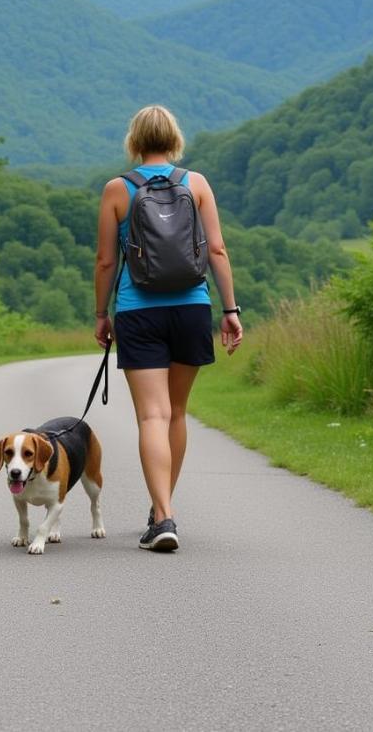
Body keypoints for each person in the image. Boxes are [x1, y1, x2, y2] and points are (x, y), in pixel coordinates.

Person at [93, 104, 243, 552]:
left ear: (134, 141)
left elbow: (105, 260)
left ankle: (163, 516)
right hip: (191, 308)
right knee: (176, 413)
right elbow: (216, 249)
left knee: (151, 416)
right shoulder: (195, 184)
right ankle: (162, 512)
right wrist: (230, 309)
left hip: (139, 311)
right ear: (174, 139)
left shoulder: (117, 190)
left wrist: (102, 314)